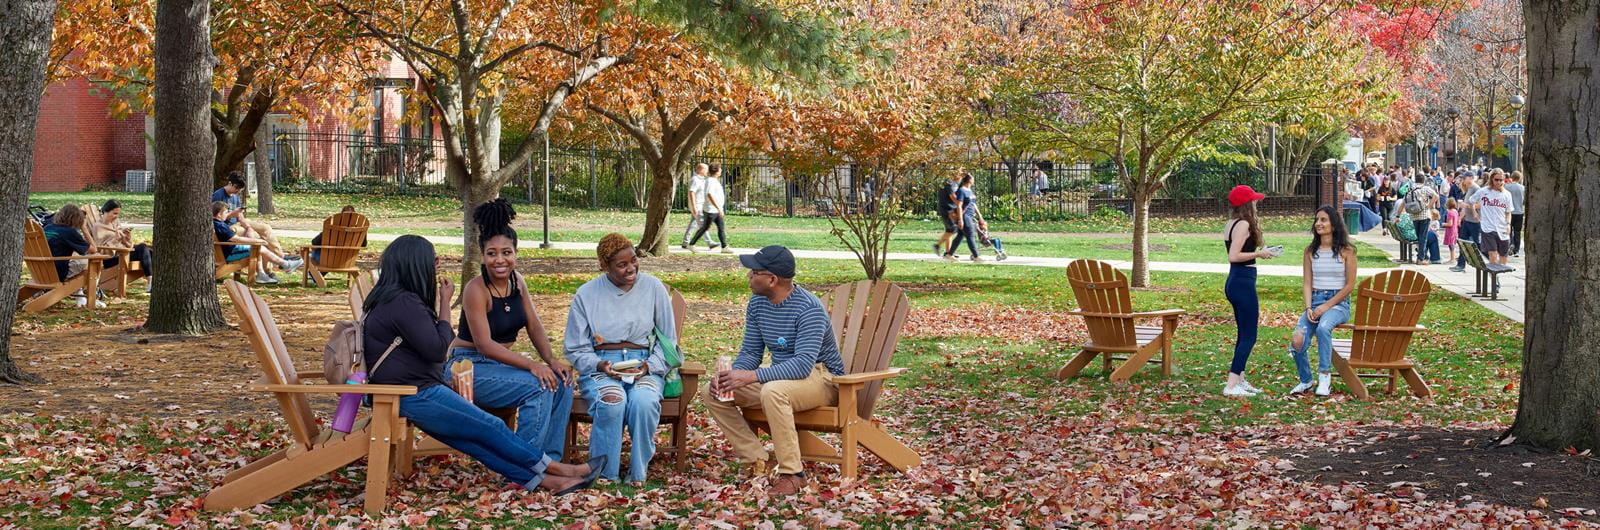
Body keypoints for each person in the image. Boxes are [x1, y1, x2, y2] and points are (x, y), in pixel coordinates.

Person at [361, 235, 600, 494]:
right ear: (415, 264)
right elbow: (439, 349)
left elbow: (434, 345)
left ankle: (549, 481)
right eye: (432, 260)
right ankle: (559, 469)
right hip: (415, 393)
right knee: (492, 426)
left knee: (476, 443)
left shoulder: (398, 300)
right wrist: (444, 306)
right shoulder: (404, 302)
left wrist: (550, 360)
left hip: (413, 390)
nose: (436, 265)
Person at [702, 245, 846, 496]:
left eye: (754, 272)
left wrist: (751, 376)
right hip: (781, 377)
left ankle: (793, 473)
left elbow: (802, 365)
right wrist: (731, 375)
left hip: (823, 378)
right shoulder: (758, 303)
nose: (748, 276)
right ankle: (757, 458)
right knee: (713, 391)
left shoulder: (808, 309)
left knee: (773, 392)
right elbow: (750, 354)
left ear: (772, 279)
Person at [445, 199, 575, 465]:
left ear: (516, 253)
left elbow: (534, 325)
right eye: (492, 253)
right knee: (539, 386)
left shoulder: (518, 282)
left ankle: (550, 462)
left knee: (561, 383)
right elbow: (484, 345)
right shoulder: (475, 289)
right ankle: (523, 466)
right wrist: (532, 366)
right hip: (467, 367)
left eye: (507, 252)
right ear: (482, 256)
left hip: (499, 366)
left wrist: (551, 361)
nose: (500, 260)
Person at [563, 233, 674, 485]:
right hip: (602, 364)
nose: (631, 268)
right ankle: (606, 473)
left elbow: (670, 342)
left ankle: (638, 472)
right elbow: (574, 347)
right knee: (612, 401)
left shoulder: (654, 287)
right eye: (622, 265)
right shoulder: (587, 294)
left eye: (633, 260)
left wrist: (649, 366)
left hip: (642, 363)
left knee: (644, 401)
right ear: (605, 266)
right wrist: (599, 364)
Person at [1222, 185, 1280, 397]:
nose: (1256, 203)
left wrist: (1258, 252)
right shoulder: (1244, 224)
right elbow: (1234, 255)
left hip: (1235, 281)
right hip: (1242, 281)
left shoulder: (1231, 223)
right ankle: (1231, 385)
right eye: (1253, 200)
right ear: (1247, 204)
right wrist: (1260, 254)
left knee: (1242, 333)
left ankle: (1240, 380)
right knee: (1250, 335)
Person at [212, 201, 302, 284]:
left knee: (256, 247)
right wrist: (258, 241)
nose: (227, 215)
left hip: (231, 250)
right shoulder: (220, 226)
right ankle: (285, 265)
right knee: (259, 247)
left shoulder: (217, 223)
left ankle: (262, 274)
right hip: (230, 253)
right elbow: (237, 239)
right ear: (219, 214)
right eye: (226, 212)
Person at [42, 204, 103, 308]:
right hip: (58, 272)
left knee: (81, 260)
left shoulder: (47, 228)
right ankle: (90, 298)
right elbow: (93, 249)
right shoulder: (69, 232)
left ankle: (80, 295)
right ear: (76, 219)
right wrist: (84, 228)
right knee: (96, 261)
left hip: (42, 271)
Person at [211, 171, 282, 256]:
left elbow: (240, 216)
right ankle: (267, 266)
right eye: (237, 188)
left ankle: (281, 256)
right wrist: (233, 214)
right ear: (230, 183)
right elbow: (215, 218)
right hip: (227, 226)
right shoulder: (217, 196)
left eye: (240, 189)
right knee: (256, 236)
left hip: (238, 222)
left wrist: (248, 227)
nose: (238, 191)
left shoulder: (235, 196)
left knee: (266, 228)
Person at [94, 200, 155, 290]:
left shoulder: (116, 222)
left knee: (150, 252)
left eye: (118, 214)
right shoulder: (98, 227)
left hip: (123, 253)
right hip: (110, 259)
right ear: (106, 211)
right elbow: (101, 251)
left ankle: (152, 281)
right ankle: (151, 282)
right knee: (143, 248)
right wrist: (115, 240)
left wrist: (126, 237)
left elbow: (129, 246)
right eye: (114, 213)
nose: (116, 217)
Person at [687, 165, 730, 254]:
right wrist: (718, 208)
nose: (721, 171)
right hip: (711, 210)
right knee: (704, 228)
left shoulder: (713, 180)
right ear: (716, 171)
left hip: (716, 210)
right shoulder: (711, 181)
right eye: (720, 169)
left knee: (721, 228)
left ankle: (724, 247)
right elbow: (709, 194)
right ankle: (691, 244)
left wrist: (719, 208)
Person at [1475, 169, 1514, 266]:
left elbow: (1508, 212)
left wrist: (1508, 224)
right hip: (1488, 227)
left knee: (1503, 257)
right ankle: (1494, 278)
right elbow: (1471, 201)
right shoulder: (1484, 191)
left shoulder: (1507, 194)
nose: (1499, 182)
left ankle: (1499, 275)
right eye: (1496, 180)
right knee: (1492, 254)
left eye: (1501, 180)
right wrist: (1476, 213)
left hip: (1502, 228)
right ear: (1492, 179)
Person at [944, 173, 984, 262]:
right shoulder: (961, 191)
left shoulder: (970, 190)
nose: (974, 180)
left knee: (960, 235)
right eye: (973, 179)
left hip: (970, 215)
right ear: (969, 180)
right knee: (970, 235)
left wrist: (979, 215)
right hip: (965, 216)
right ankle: (976, 256)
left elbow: (973, 204)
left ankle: (949, 254)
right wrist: (961, 220)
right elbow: (959, 205)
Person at [1450, 172, 1482, 272]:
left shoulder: (1477, 189)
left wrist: (1465, 206)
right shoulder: (1469, 189)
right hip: (1467, 220)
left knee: (1477, 244)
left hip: (1475, 221)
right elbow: (1465, 205)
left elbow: (1480, 205)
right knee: (1462, 242)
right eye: (1463, 179)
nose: (1463, 181)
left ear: (1471, 178)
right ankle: (1460, 264)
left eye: (1465, 178)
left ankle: (1483, 262)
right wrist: (1460, 218)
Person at [680, 163, 717, 250]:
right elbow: (691, 192)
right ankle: (710, 242)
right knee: (703, 224)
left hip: (700, 205)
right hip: (697, 206)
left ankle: (685, 242)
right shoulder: (695, 179)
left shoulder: (702, 179)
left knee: (693, 224)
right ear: (700, 170)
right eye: (706, 169)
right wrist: (694, 206)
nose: (707, 171)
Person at [1404, 174, 1438, 264]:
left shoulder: (1411, 189)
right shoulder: (1425, 188)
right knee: (1423, 237)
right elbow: (1436, 196)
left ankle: (1422, 256)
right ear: (1424, 180)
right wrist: (1429, 205)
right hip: (1424, 215)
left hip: (1414, 215)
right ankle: (1421, 258)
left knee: (1419, 237)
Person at [932, 173, 960, 256]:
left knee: (949, 230)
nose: (961, 177)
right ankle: (937, 245)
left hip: (951, 209)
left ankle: (948, 252)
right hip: (947, 210)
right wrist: (960, 205)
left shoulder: (954, 183)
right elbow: (953, 197)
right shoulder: (949, 183)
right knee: (953, 229)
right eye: (961, 174)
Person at [1506, 171, 1525, 256]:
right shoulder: (1522, 188)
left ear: (1511, 177)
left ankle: (1510, 244)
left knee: (1508, 231)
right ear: (1520, 178)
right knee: (1517, 231)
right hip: (1519, 212)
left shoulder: (1507, 187)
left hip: (1509, 212)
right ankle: (1516, 250)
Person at [1444, 198, 1461, 264]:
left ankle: (1452, 259)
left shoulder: (1450, 213)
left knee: (1451, 245)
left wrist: (1443, 224)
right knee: (1452, 244)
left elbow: (1450, 224)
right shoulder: (1455, 211)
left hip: (1450, 231)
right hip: (1455, 230)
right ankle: (1452, 258)